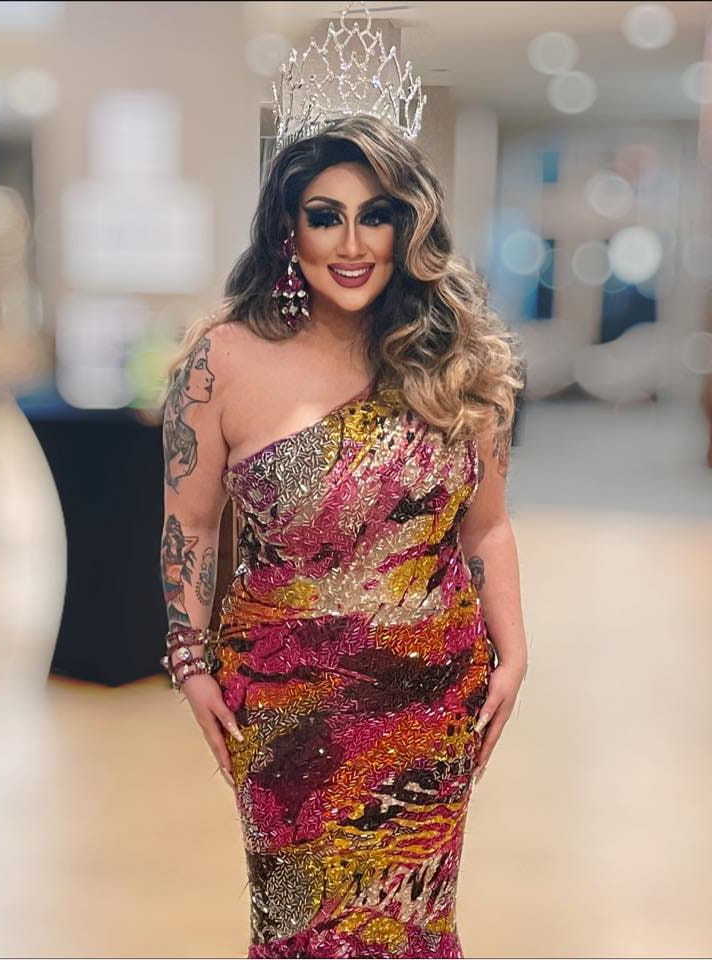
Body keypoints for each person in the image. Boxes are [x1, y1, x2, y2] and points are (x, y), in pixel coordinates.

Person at [159, 109, 527, 959]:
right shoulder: (220, 361)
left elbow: (489, 528)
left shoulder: (456, 360)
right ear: (287, 230)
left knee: (412, 926)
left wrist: (513, 654)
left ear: (409, 228)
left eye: (377, 215)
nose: (352, 243)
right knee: (299, 929)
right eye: (325, 216)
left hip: (431, 701)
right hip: (284, 708)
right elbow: (191, 526)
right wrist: (188, 661)